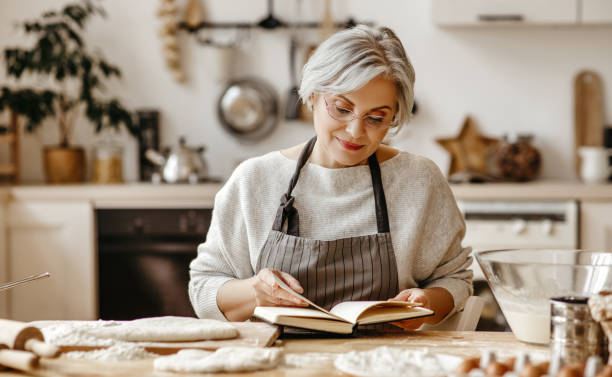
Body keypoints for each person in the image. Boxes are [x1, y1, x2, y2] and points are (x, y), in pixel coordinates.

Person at [189, 25, 472, 330]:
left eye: (376, 118)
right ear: (312, 96)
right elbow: (204, 288)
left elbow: (455, 278)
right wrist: (253, 292)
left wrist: (428, 301)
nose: (355, 131)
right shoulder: (254, 180)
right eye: (341, 108)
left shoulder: (419, 180)